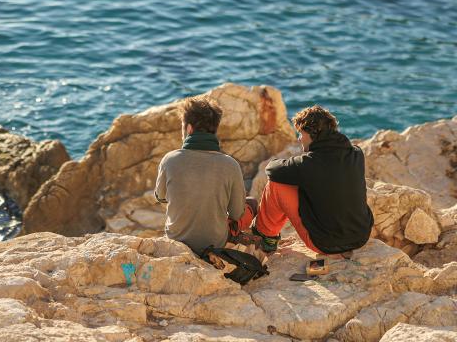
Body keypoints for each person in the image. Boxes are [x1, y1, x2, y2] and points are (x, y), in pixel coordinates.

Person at [251, 105, 374, 254]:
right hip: (361, 237)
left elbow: (271, 170)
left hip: (325, 244)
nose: (299, 138)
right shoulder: (356, 153)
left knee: (276, 185)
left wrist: (294, 164)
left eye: (301, 133)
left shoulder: (308, 164)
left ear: (311, 134)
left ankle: (266, 236)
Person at [154, 95, 256, 254]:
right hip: (215, 243)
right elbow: (236, 213)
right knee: (252, 203)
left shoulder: (169, 160)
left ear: (188, 129)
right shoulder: (230, 164)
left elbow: (161, 197)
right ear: (215, 128)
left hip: (176, 241)